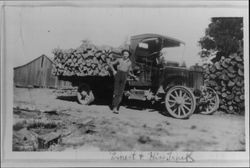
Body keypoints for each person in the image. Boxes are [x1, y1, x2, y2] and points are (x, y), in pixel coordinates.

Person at [110, 49, 137, 114]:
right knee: (116, 92)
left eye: (127, 54)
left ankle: (115, 107)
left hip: (124, 76)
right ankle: (114, 107)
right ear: (122, 54)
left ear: (128, 55)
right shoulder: (119, 59)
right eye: (124, 54)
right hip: (118, 75)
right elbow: (110, 64)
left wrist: (133, 76)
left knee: (120, 93)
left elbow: (128, 72)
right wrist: (113, 71)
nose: (125, 55)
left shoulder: (129, 62)